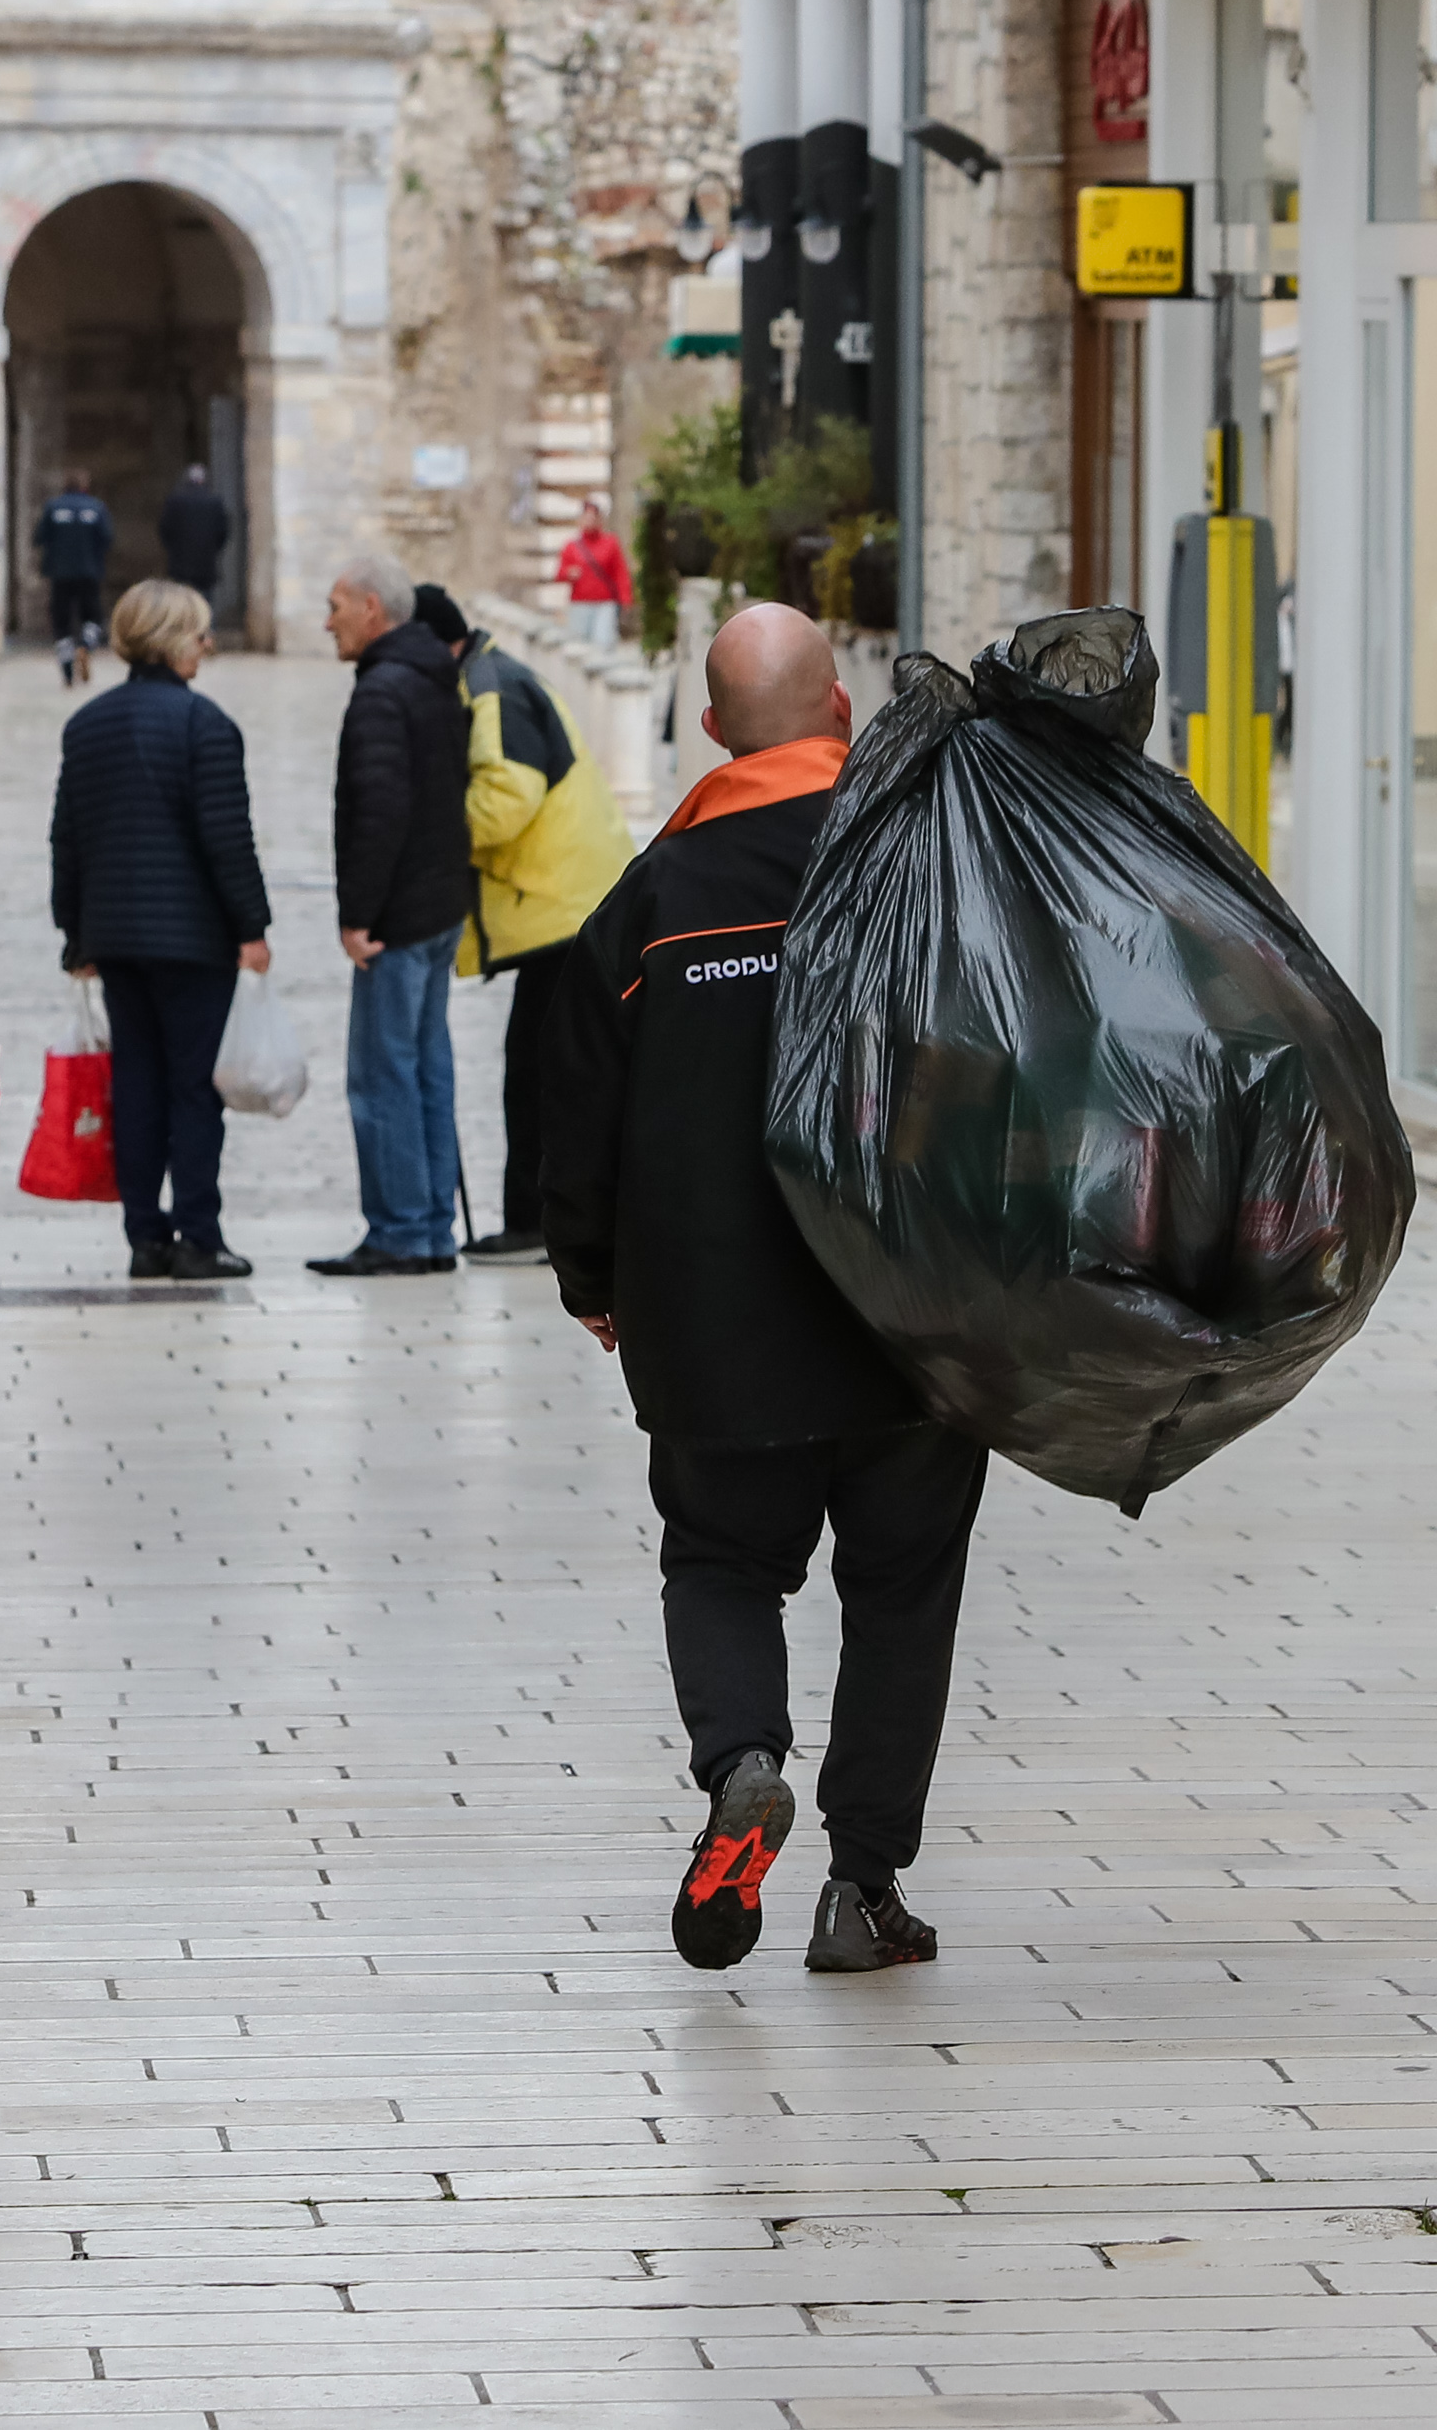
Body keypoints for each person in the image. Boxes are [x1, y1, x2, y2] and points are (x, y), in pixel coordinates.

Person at [544, 601, 984, 1976]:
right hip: (912, 1324)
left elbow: (578, 1111)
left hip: (714, 1324)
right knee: (902, 1592)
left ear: (712, 727)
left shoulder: (654, 901)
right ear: (841, 712)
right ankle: (863, 1887)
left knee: (725, 1562)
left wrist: (593, 1278)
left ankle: (741, 1756)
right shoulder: (931, 864)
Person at [51, 578, 273, 1283]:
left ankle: (146, 1237)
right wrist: (252, 926)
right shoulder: (206, 725)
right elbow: (226, 839)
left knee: (138, 1085)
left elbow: (67, 839)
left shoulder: (85, 725)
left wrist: (75, 934)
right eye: (201, 632)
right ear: (177, 639)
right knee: (193, 1089)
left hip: (115, 936)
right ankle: (200, 1235)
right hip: (193, 940)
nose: (208, 644)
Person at [416, 584, 628, 1267]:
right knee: (541, 1065)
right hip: (564, 900)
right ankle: (536, 1215)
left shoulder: (491, 689)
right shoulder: (489, 676)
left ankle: (538, 1220)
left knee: (541, 1071)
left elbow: (507, 797)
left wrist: (431, 835)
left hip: (564, 905)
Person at [313, 551, 472, 1278]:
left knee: (383, 1074)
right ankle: (432, 1224)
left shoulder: (382, 690)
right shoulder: (436, 678)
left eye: (337, 605)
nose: (328, 621)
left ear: (373, 607)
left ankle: (403, 1229)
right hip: (440, 906)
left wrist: (358, 916)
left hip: (400, 915)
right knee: (426, 1066)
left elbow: (379, 811)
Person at [35, 470, 113, 659]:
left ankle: (66, 655)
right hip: (88, 570)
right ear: (85, 486)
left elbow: (39, 538)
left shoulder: (53, 507)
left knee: (61, 615)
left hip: (60, 572)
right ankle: (87, 641)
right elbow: (107, 538)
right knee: (92, 611)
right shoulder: (96, 507)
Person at [557, 496, 634, 649]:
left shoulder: (610, 543)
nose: (590, 521)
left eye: (593, 517)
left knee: (603, 642)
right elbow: (559, 573)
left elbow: (620, 572)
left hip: (605, 603)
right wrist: (569, 573)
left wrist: (625, 598)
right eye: (586, 517)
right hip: (580, 603)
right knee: (579, 644)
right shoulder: (572, 546)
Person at [160, 464, 233, 596]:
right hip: (206, 565)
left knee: (181, 602)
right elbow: (222, 533)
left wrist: (174, 549)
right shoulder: (214, 502)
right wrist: (212, 550)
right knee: (204, 603)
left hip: (180, 566)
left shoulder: (175, 501)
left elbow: (165, 530)